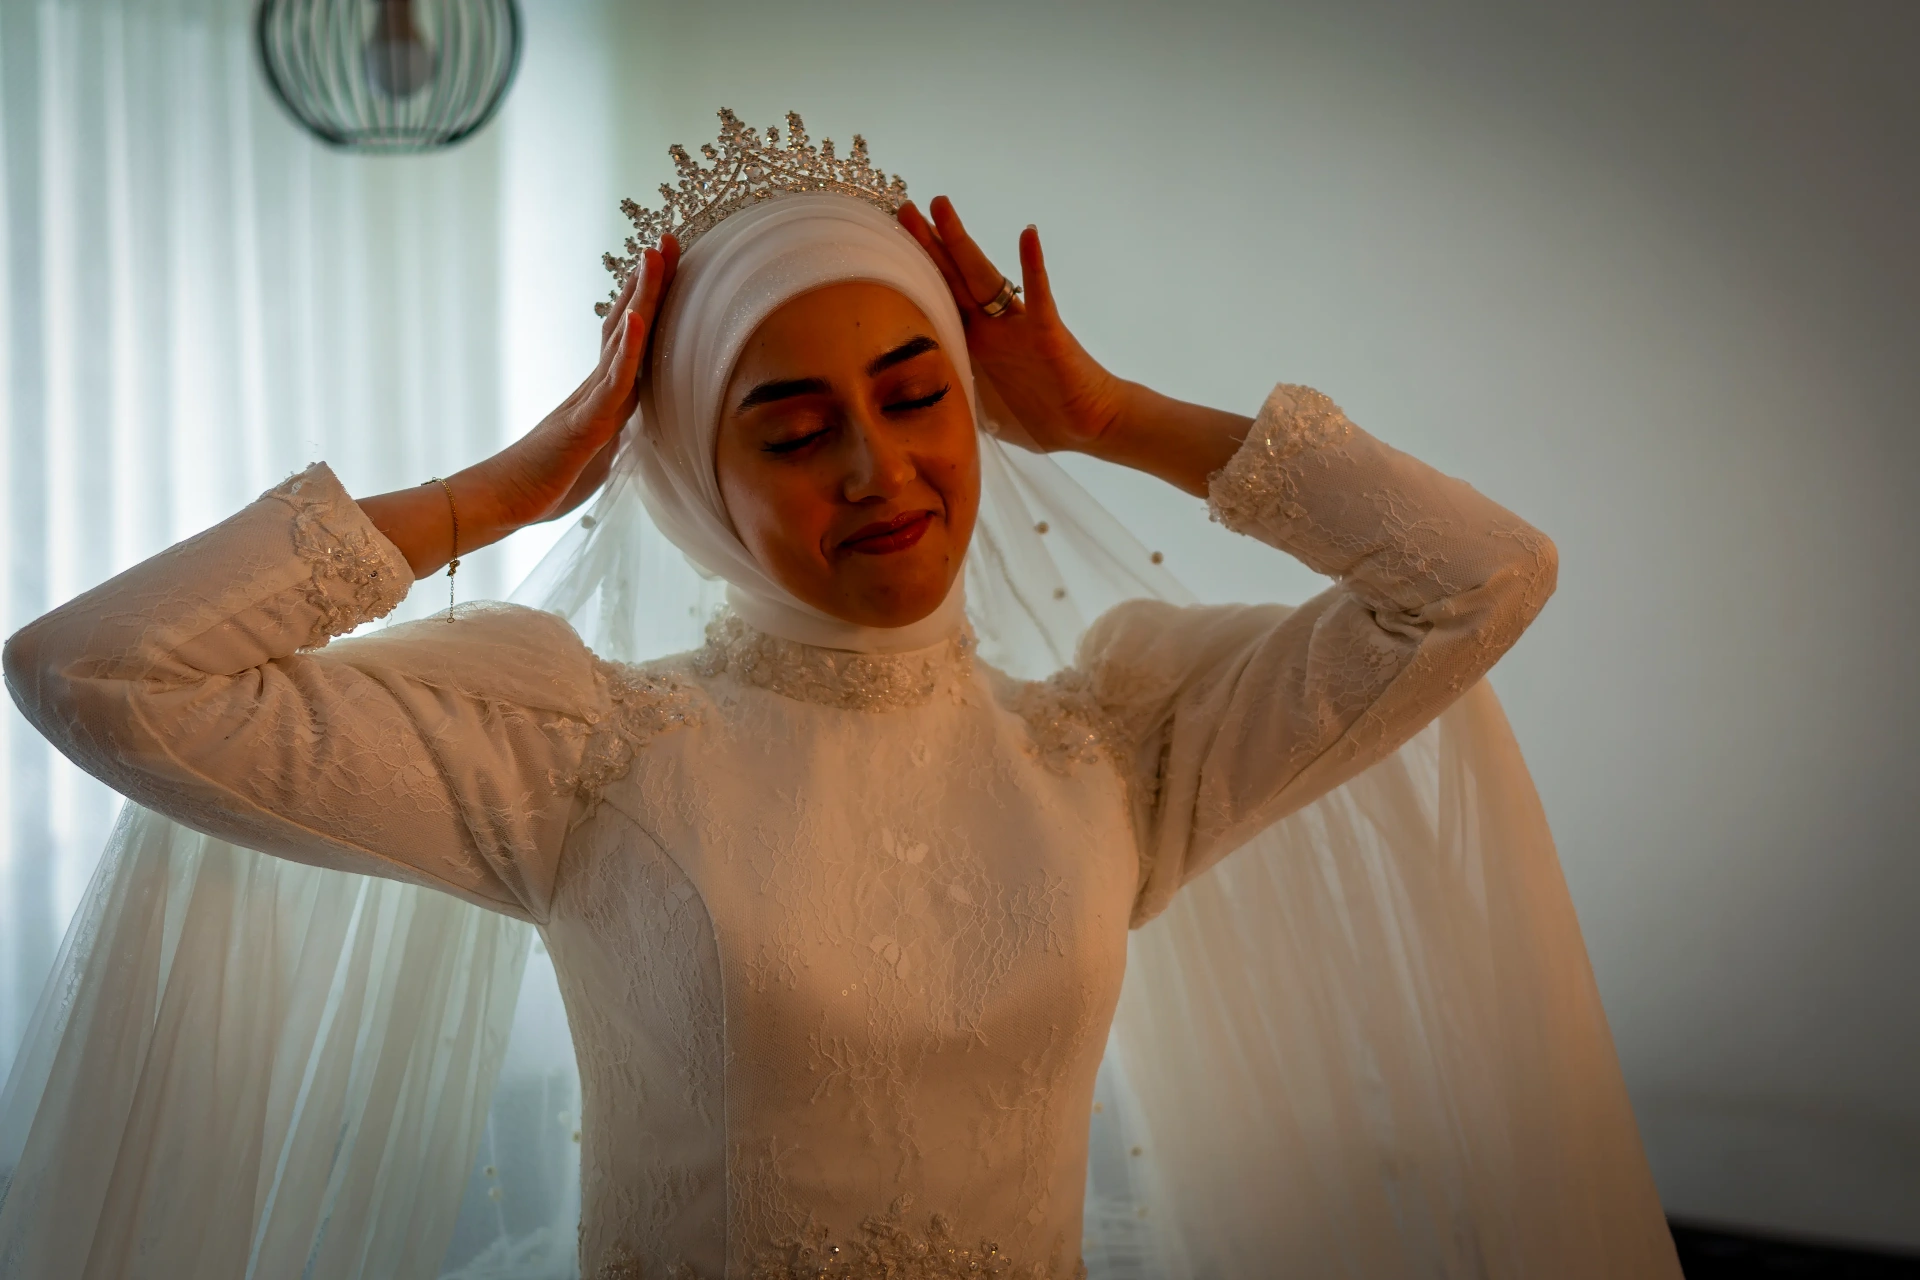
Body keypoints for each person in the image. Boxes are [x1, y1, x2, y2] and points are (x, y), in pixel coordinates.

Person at [1, 112, 1679, 1278]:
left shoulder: (1111, 754)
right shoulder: (580, 761)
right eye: (793, 430)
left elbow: (1479, 579)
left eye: (917, 397)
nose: (881, 472)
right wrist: (497, 496)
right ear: (689, 480)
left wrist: (1111, 415)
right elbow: (91, 673)